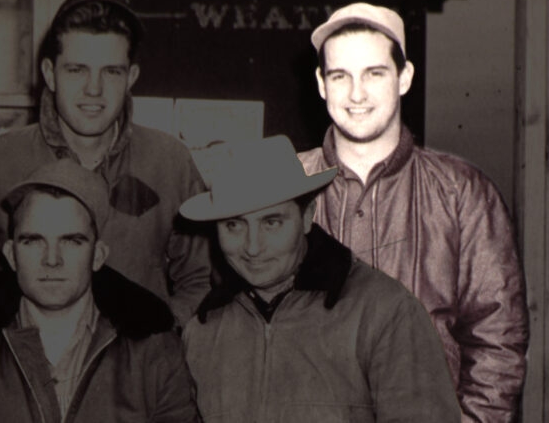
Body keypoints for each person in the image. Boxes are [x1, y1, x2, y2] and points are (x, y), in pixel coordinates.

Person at [298, 2, 528, 421]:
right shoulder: (284, 186)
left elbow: (498, 340)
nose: (356, 94)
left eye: (374, 73)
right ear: (320, 84)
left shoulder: (464, 193)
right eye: (339, 76)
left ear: (404, 78)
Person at [0, 0, 211, 323]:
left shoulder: (170, 162)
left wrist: (158, 338)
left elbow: (201, 280)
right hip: (23, 368)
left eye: (111, 72)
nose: (94, 89)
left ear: (131, 76)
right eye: (77, 70)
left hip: (139, 370)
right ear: (50, 73)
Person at [180, 135, 460, 421]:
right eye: (233, 225)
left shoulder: (385, 313)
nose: (252, 247)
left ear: (306, 217)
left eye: (271, 222)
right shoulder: (203, 329)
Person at [0, 159, 198, 422]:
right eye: (33, 241)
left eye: (72, 241)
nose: (52, 259)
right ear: (10, 254)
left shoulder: (156, 355)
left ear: (98, 256)